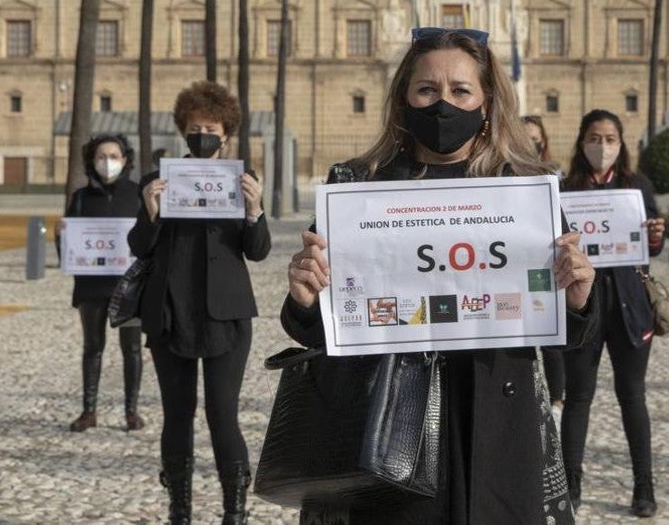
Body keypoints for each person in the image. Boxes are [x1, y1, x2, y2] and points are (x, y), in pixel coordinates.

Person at [283, 27, 598, 524]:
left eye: (460, 90)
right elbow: (323, 324)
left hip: (497, 419)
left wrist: (577, 299)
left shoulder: (526, 195)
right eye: (427, 90)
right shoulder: (357, 188)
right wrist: (305, 295)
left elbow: (564, 333)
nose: (443, 105)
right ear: (403, 100)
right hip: (391, 425)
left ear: (487, 102)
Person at [128, 82, 271, 525]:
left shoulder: (241, 181)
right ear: (182, 130)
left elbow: (259, 250)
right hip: (171, 311)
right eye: (194, 127)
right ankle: (180, 509)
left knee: (222, 414)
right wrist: (151, 214)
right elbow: (138, 246)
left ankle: (235, 510)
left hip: (227, 313)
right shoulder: (157, 181)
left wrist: (254, 210)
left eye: (211, 127)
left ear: (225, 133)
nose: (203, 134)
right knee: (177, 414)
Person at [559, 109, 666, 517]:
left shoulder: (636, 187)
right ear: (581, 142)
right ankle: (571, 484)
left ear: (621, 145)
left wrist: (655, 237)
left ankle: (644, 486)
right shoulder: (565, 188)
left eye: (609, 139)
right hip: (582, 307)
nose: (601, 146)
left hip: (628, 307)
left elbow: (650, 248)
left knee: (632, 396)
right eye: (594, 137)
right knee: (578, 397)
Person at [62, 134, 144, 433]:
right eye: (100, 156)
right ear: (91, 161)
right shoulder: (81, 198)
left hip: (129, 287)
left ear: (125, 160)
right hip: (91, 286)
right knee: (92, 347)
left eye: (113, 156)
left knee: (131, 349)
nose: (107, 162)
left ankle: (131, 412)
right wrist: (64, 237)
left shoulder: (137, 194)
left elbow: (148, 240)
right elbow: (68, 250)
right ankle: (89, 410)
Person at [522, 115, 567, 424]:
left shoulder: (555, 178)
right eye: (525, 138)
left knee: (551, 338)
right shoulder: (498, 177)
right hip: (514, 268)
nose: (531, 145)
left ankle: (557, 398)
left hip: (544, 265)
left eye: (536, 140)